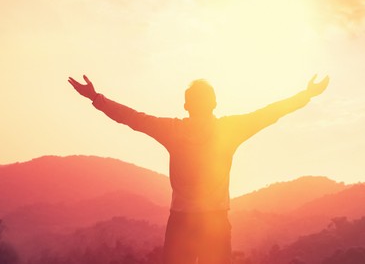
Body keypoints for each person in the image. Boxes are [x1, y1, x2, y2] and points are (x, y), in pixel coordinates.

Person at [68, 74, 329, 264]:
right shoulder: (228, 130)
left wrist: (96, 98)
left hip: (182, 220)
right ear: (214, 104)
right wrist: (305, 96)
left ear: (186, 105)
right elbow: (269, 113)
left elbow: (132, 118)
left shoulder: (173, 130)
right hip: (214, 221)